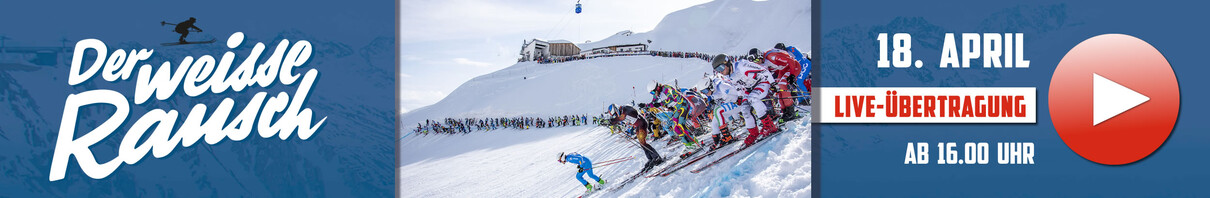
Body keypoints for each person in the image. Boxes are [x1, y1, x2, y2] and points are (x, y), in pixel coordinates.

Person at [711, 54, 773, 146]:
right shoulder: (730, 76)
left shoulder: (742, 65)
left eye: (721, 68)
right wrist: (740, 97)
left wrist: (773, 84)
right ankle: (753, 133)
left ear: (727, 63)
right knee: (744, 109)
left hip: (761, 83)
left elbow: (763, 70)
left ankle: (769, 126)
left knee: (753, 98)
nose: (721, 72)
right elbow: (738, 87)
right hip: (749, 89)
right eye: (718, 70)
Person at [611, 104, 665, 172]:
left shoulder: (625, 108)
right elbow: (621, 119)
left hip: (642, 124)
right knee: (642, 144)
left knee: (643, 142)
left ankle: (656, 157)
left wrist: (611, 121)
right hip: (638, 126)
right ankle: (650, 158)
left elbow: (622, 117)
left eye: (615, 114)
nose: (616, 115)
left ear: (616, 109)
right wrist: (611, 122)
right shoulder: (622, 111)